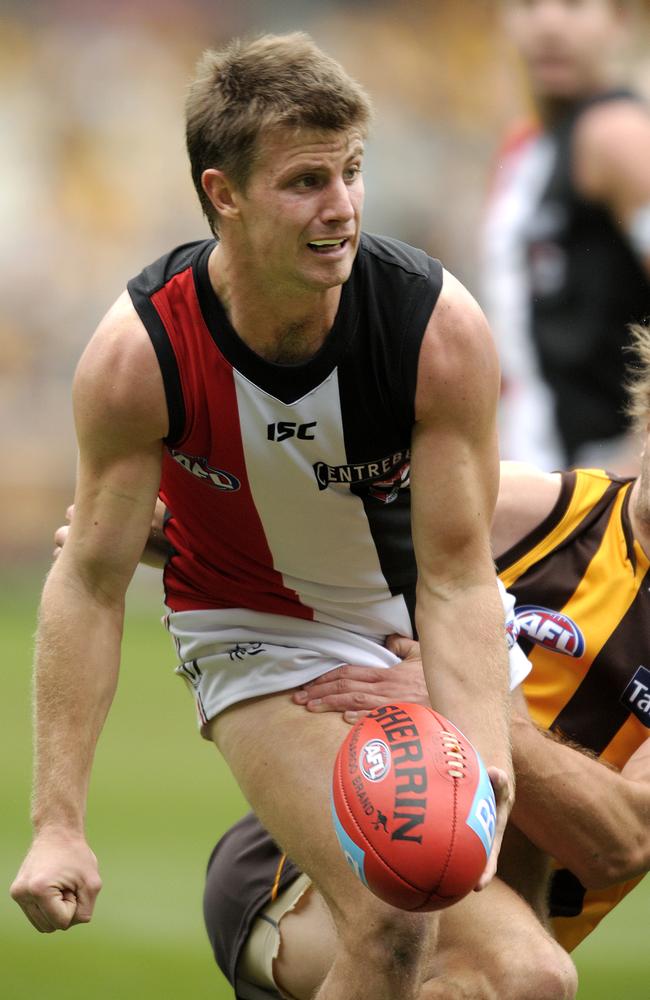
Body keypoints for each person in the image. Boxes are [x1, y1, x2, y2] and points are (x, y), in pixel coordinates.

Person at [10, 31, 551, 1000]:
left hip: (418, 631)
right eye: (305, 181)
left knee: (527, 979)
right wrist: (58, 821)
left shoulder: (434, 329)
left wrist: (483, 752)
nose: (340, 207)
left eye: (351, 172)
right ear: (221, 193)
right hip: (257, 635)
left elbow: (460, 573)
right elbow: (88, 579)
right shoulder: (141, 354)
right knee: (393, 918)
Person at [197, 323, 650, 1000]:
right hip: (318, 863)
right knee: (525, 976)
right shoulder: (534, 512)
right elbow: (306, 528)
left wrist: (476, 697)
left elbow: (619, 841)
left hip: (483, 915)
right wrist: (159, 529)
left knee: (521, 973)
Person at [483, 0, 650, 470]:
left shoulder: (616, 135)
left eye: (574, 4)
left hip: (604, 493)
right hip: (545, 470)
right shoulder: (529, 149)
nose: (549, 24)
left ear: (619, 19)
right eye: (529, 5)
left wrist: (630, 463)